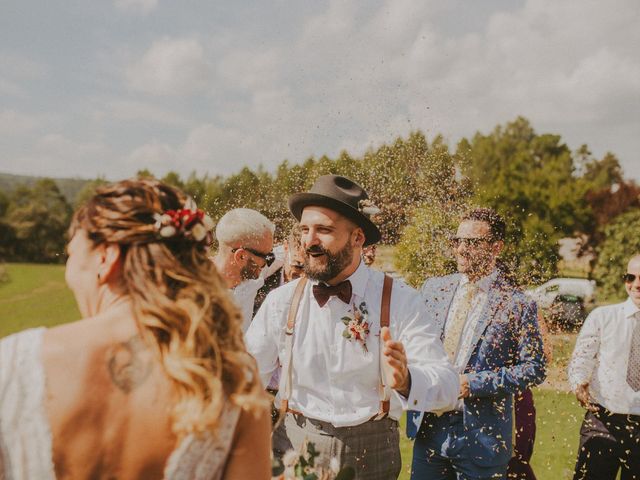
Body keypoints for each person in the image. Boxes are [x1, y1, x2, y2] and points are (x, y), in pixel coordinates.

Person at [0, 179, 271, 479]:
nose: (69, 270)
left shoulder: (12, 362)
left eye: (71, 254)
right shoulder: (235, 382)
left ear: (107, 257)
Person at [246, 174, 459, 479]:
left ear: (358, 238)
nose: (309, 241)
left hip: (373, 451)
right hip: (296, 446)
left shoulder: (400, 300)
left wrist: (407, 380)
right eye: (305, 230)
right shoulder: (282, 301)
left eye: (324, 230)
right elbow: (246, 375)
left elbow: (447, 387)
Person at [408, 207, 546, 480]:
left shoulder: (518, 303)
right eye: (457, 241)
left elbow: (535, 368)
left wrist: (474, 383)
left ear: (496, 247)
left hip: (483, 436)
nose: (460, 250)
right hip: (428, 428)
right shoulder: (433, 289)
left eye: (471, 243)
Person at [568, 253, 640, 480]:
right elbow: (581, 358)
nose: (637, 284)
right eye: (631, 277)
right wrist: (579, 382)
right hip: (602, 420)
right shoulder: (603, 316)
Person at [211, 207, 280, 331]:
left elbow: (287, 254)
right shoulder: (195, 290)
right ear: (241, 256)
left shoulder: (254, 275)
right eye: (268, 256)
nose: (270, 262)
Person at [253, 224, 305, 315]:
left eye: (309, 269)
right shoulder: (259, 277)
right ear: (285, 248)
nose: (304, 275)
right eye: (298, 266)